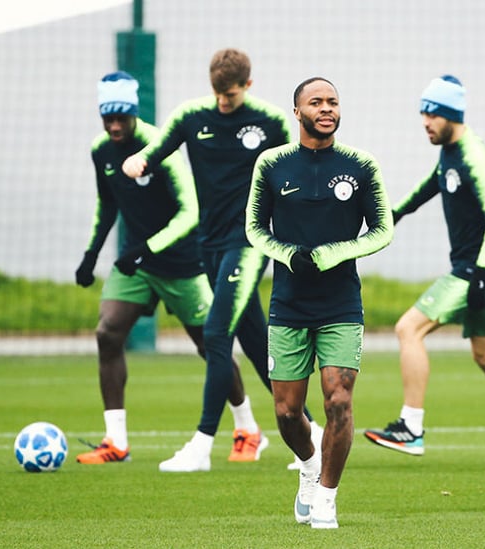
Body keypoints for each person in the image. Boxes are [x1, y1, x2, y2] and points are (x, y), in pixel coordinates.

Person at [122, 49, 322, 472]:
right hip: (209, 246)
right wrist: (138, 160)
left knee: (215, 335)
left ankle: (201, 445)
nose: (223, 102)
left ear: (247, 85)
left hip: (248, 243)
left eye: (230, 94)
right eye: (218, 93)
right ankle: (312, 432)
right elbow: (157, 149)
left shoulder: (267, 121)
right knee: (254, 340)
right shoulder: (192, 116)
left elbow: (290, 171)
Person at [363, 75, 485, 467]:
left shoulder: (473, 154)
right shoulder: (449, 151)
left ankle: (411, 428)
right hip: (482, 268)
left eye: (431, 114)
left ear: (450, 114)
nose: (425, 122)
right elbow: (428, 186)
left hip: (478, 267)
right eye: (423, 114)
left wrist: (483, 269)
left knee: (407, 328)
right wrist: (393, 213)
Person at [245, 77, 393, 529]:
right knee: (288, 413)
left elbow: (383, 229)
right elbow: (253, 228)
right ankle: (309, 465)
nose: (326, 108)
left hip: (340, 305)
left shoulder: (361, 165)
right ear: (297, 112)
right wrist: (290, 255)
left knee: (339, 401)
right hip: (289, 304)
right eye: (316, 102)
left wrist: (331, 254)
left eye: (332, 101)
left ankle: (327, 496)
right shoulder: (271, 164)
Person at [74, 71, 222, 464]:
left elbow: (190, 211)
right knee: (108, 334)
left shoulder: (159, 146)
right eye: (108, 118)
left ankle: (247, 429)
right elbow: (107, 205)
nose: (115, 125)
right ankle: (116, 442)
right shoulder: (100, 149)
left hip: (179, 262)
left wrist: (146, 248)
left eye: (122, 117)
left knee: (212, 346)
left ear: (134, 113)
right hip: (133, 264)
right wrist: (91, 254)